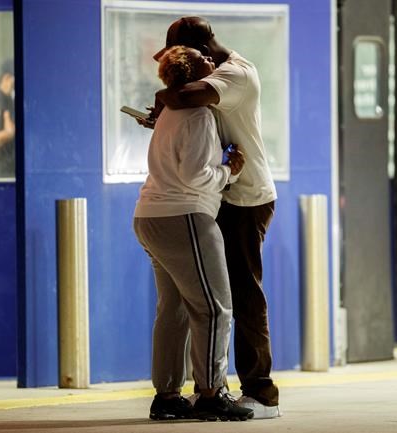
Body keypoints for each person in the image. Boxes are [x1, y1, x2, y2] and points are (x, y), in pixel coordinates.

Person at [150, 16, 280, 419]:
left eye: (182, 57)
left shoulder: (236, 73)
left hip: (245, 197)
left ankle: (260, 391)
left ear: (204, 53)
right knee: (203, 299)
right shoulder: (202, 89)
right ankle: (204, 388)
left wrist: (164, 95)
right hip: (215, 197)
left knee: (240, 294)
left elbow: (184, 96)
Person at [133, 45, 253, 422]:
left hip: (150, 216)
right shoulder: (198, 115)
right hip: (184, 217)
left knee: (174, 309)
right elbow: (195, 175)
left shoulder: (169, 113)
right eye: (203, 60)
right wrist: (230, 170)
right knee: (215, 308)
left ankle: (167, 396)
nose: (211, 62)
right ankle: (211, 393)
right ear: (191, 72)